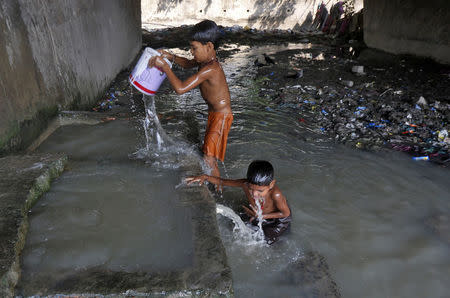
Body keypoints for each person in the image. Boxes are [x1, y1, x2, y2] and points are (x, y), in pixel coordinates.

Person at [148, 20, 232, 179]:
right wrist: (169, 56)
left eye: (194, 48)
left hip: (222, 117)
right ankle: (213, 183)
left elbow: (180, 89)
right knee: (207, 152)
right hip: (215, 114)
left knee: (209, 158)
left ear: (209, 46)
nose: (191, 52)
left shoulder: (211, 69)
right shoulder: (205, 61)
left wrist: (165, 67)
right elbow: (187, 64)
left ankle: (217, 190)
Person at [186, 160, 291, 244]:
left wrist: (261, 216)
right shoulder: (244, 184)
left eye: (260, 191)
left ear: (271, 185)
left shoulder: (276, 195)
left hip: (277, 218)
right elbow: (222, 181)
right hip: (259, 213)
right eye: (251, 188)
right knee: (242, 224)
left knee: (265, 241)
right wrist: (205, 177)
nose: (254, 194)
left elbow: (285, 213)